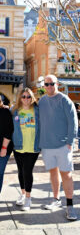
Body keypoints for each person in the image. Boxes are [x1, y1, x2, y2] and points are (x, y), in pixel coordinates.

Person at [39, 74, 78, 220]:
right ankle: (56, 199)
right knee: (53, 173)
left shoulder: (65, 100)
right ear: (44, 86)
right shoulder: (42, 101)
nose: (49, 86)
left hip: (63, 145)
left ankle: (70, 205)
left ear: (57, 84)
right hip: (47, 146)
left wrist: (69, 142)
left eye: (52, 84)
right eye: (47, 84)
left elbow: (73, 122)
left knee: (66, 175)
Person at [12, 88, 40, 211]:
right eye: (23, 96)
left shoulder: (38, 110)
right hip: (18, 146)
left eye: (28, 96)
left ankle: (28, 198)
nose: (26, 99)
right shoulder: (15, 111)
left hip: (33, 146)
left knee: (27, 171)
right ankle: (23, 194)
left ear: (32, 98)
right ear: (20, 98)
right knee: (20, 171)